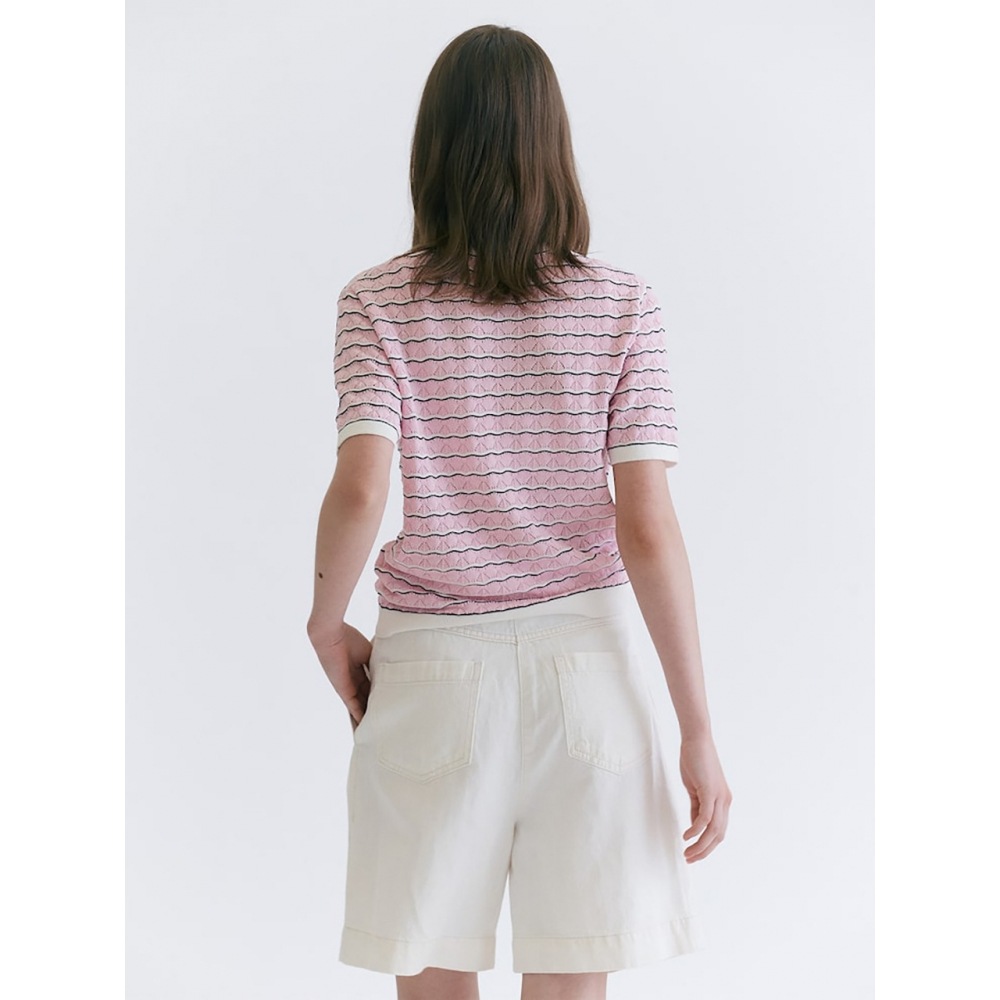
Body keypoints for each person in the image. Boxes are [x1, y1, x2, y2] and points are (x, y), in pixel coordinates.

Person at [306, 22, 732, 1000]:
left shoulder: (377, 301)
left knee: (429, 973)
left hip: (430, 670)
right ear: (553, 146)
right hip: (588, 670)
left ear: (432, 149)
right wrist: (697, 727)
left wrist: (328, 623)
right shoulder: (622, 304)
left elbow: (362, 487)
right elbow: (648, 527)